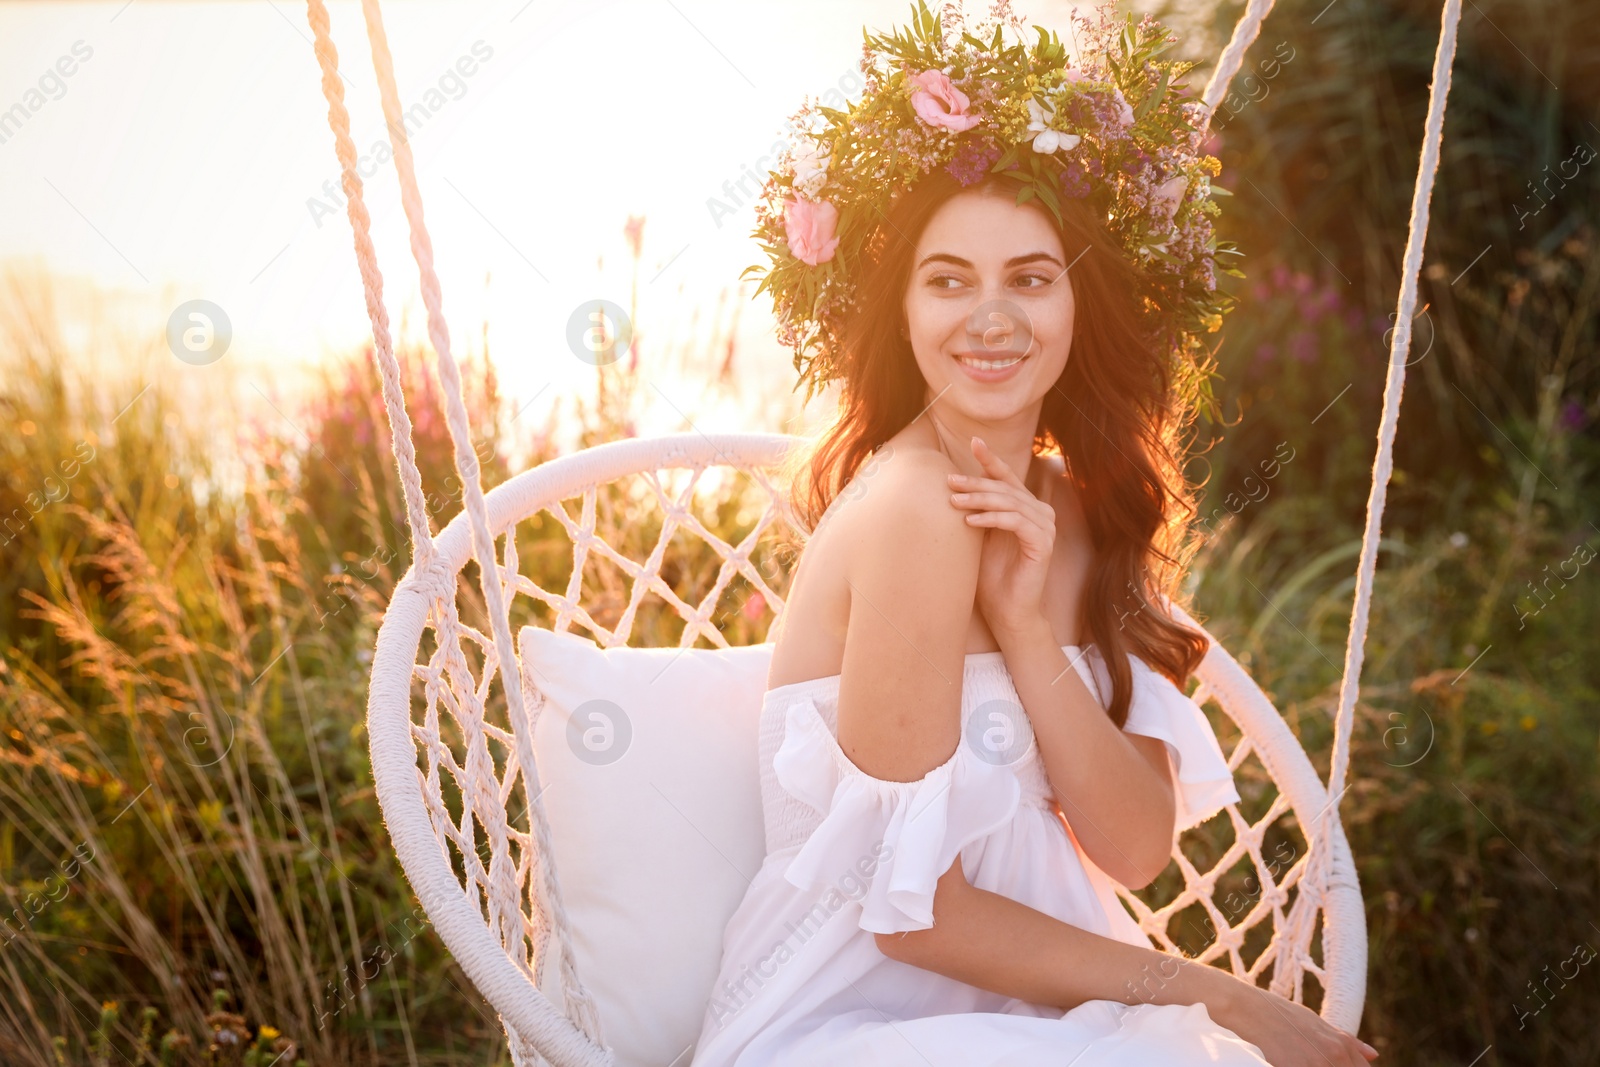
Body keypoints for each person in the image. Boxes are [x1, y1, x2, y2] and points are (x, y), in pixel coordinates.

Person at [690, 4, 1379, 1064]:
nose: (990, 318)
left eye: (1031, 276)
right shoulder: (915, 510)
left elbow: (1137, 846)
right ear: (902, 311)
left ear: (1079, 300)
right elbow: (911, 914)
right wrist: (1223, 996)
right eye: (947, 279)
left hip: (1046, 1010)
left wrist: (1019, 619)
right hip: (861, 1018)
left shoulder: (1084, 509)